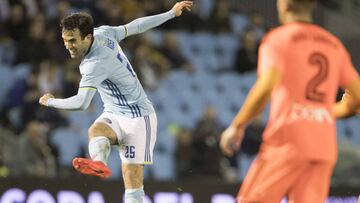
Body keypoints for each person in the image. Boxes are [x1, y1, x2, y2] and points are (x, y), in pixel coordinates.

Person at [39, 1, 193, 202]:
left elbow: (81, 103)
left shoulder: (94, 64)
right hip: (114, 111)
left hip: (139, 117)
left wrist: (51, 101)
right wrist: (170, 13)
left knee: (131, 175)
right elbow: (135, 26)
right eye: (65, 40)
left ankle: (102, 164)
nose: (68, 46)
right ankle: (99, 164)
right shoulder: (104, 33)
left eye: (73, 40)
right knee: (96, 131)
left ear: (88, 37)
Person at [219, 0, 360, 202]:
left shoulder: (278, 39)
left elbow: (267, 85)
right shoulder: (334, 44)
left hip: (288, 141)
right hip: (323, 147)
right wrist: (338, 109)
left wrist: (238, 125)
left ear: (284, 5)